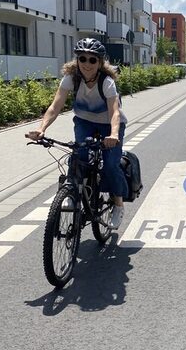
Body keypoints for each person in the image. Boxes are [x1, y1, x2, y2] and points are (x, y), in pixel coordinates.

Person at [26, 38, 128, 229]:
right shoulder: (71, 79)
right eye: (82, 58)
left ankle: (118, 205)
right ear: (77, 60)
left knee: (110, 166)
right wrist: (42, 128)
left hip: (109, 125)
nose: (87, 64)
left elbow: (114, 111)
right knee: (78, 156)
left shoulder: (106, 82)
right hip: (85, 121)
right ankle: (73, 193)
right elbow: (55, 107)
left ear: (99, 62)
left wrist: (114, 134)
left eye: (92, 60)